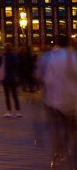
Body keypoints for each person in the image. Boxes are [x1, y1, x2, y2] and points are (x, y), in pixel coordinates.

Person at [36, 35, 77, 168]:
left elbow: (45, 78)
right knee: (71, 127)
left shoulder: (51, 57)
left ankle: (57, 152)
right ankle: (71, 153)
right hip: (73, 101)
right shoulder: (74, 57)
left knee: (56, 126)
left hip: (55, 100)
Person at [0, 44, 22, 117]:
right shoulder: (14, 56)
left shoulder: (3, 57)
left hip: (6, 77)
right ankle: (18, 111)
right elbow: (18, 65)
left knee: (7, 95)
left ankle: (9, 111)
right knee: (15, 95)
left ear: (5, 49)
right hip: (13, 77)